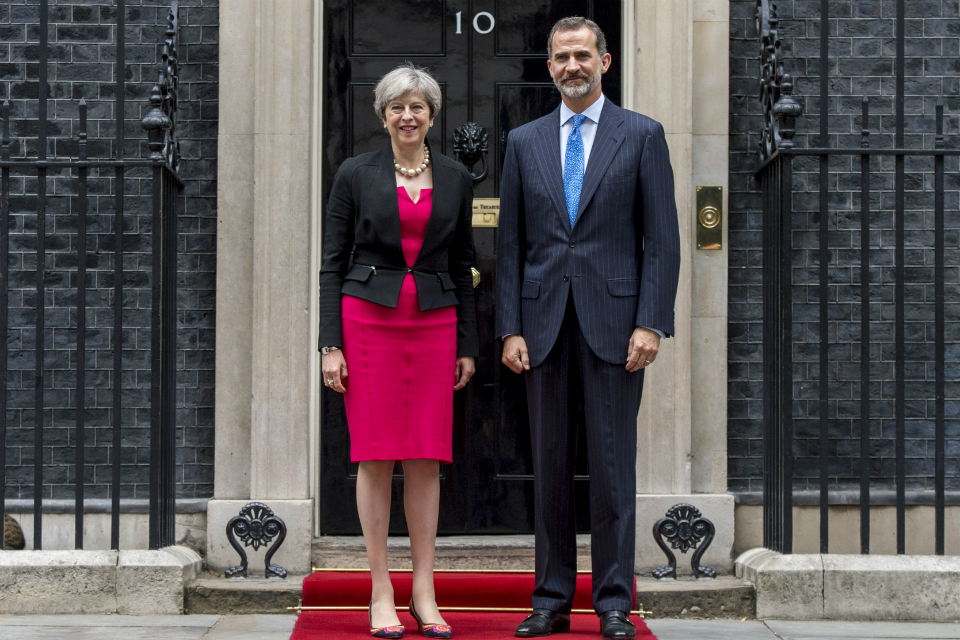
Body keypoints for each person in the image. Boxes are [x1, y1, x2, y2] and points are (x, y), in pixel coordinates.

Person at [497, 17, 681, 640]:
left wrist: (651, 322)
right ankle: (549, 598)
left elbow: (662, 240)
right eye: (560, 57)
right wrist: (509, 328)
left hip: (616, 325)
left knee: (611, 468)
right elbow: (512, 244)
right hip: (542, 325)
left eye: (582, 55)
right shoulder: (523, 142)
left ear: (605, 62)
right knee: (548, 466)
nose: (571, 66)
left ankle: (612, 603)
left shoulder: (642, 135)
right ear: (548, 67)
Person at [319, 63, 479, 639]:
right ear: (383, 115)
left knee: (426, 458)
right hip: (368, 322)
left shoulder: (458, 177)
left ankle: (424, 588)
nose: (407, 116)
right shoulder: (354, 174)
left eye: (418, 107)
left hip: (434, 322)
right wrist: (329, 344)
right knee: (376, 454)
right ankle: (381, 588)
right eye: (397, 107)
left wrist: (468, 344)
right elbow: (332, 264)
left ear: (432, 116)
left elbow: (463, 265)